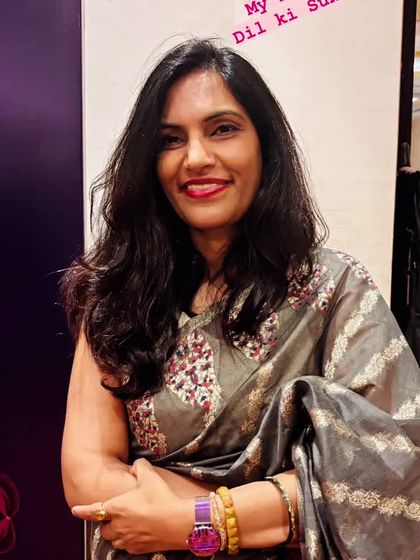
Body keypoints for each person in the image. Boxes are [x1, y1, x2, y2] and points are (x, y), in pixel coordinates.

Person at [61, 38, 420, 560]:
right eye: (170, 140)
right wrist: (269, 506)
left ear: (264, 146)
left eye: (222, 129)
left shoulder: (333, 289)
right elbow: (87, 473)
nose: (196, 158)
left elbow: (398, 465)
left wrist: (196, 522)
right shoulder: (118, 294)